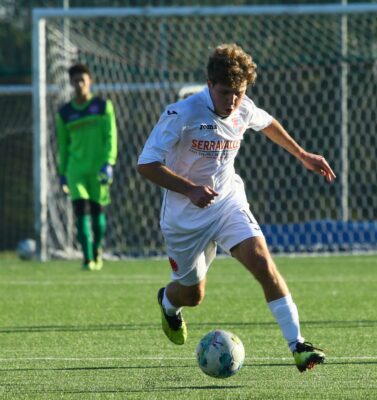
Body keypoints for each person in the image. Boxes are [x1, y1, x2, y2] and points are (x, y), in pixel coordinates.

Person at [137, 44, 335, 372]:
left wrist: (302, 155)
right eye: (225, 92)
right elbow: (146, 164)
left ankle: (298, 345)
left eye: (239, 94)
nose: (232, 102)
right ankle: (168, 304)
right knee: (192, 294)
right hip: (184, 218)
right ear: (209, 85)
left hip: (227, 202)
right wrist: (189, 188)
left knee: (260, 260)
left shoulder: (242, 108)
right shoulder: (182, 114)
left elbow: (267, 123)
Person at [55, 63, 118, 270]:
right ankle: (87, 258)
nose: (79, 84)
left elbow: (111, 136)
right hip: (76, 171)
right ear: (71, 84)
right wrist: (63, 173)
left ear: (90, 81)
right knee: (81, 211)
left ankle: (97, 249)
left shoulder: (102, 107)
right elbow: (63, 146)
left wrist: (109, 162)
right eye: (75, 81)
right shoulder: (64, 113)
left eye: (82, 80)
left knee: (98, 216)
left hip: (98, 169)